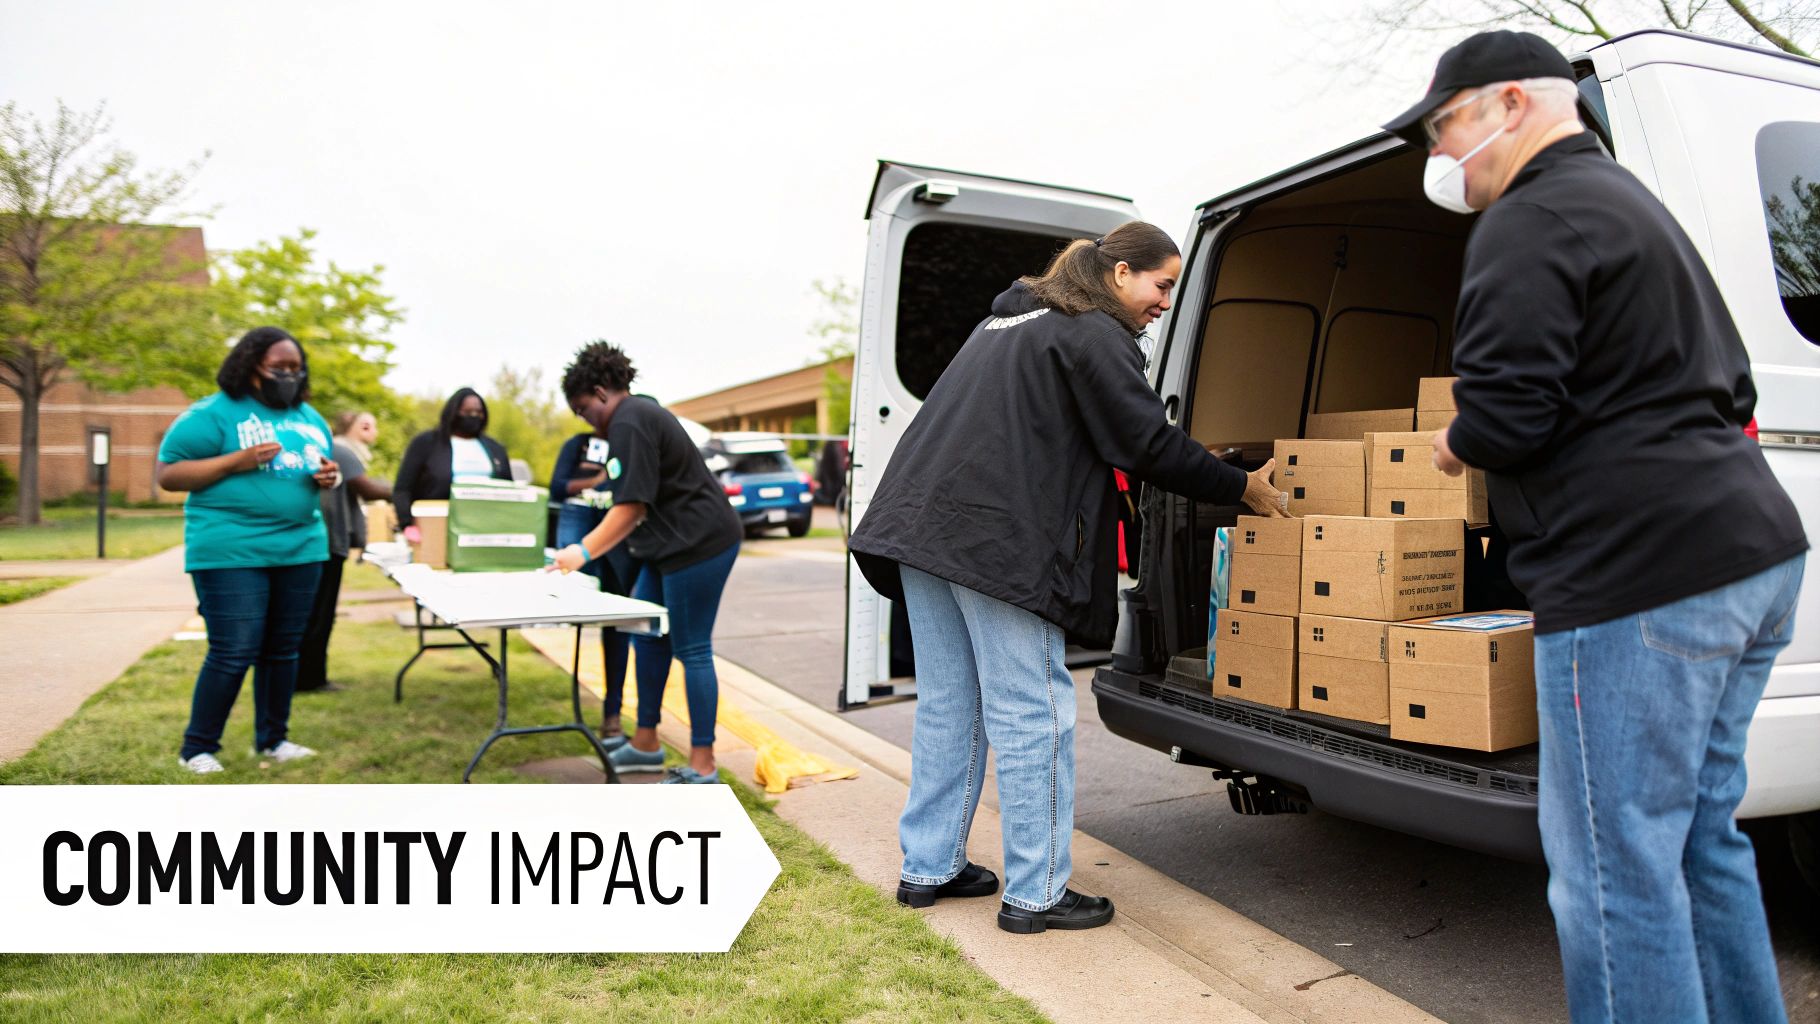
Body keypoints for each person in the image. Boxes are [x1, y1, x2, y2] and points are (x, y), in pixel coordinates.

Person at [1385, 31, 1808, 1023]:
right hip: (1749, 556)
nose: (1441, 156)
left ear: (1511, 104)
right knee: (1699, 836)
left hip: (1636, 580)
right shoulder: (1631, 207)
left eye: (1444, 126)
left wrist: (1454, 440)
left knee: (1611, 866)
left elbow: (1506, 414)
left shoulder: (1528, 219)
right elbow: (1730, 382)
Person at [847, 222, 1288, 934]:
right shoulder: (1091, 332)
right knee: (1032, 712)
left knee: (951, 705)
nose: (1166, 302)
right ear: (1119, 275)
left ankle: (928, 867)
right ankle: (1037, 892)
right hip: (992, 542)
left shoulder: (1009, 323)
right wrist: (1241, 486)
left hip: (919, 531)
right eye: (1162, 284)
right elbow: (1144, 440)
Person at [548, 342, 742, 785]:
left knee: (691, 648)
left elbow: (631, 507)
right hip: (666, 545)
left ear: (599, 391)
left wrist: (580, 552)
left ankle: (703, 766)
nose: (585, 421)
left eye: (582, 410)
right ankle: (647, 743)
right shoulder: (633, 419)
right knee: (646, 634)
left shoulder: (629, 421)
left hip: (700, 542)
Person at [155, 326, 343, 774]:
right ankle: (197, 749)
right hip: (231, 549)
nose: (289, 376)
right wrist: (236, 461)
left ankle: (272, 740)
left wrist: (329, 477)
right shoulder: (213, 414)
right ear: (250, 365)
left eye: (296, 369)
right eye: (279, 368)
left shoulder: (311, 419)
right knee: (234, 648)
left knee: (283, 648)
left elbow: (319, 469)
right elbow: (168, 475)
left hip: (300, 546)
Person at [549, 415, 645, 748]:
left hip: (618, 525)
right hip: (579, 522)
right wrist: (597, 478)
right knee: (575, 599)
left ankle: (612, 716)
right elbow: (557, 487)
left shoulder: (631, 444)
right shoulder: (576, 445)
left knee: (618, 621)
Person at [296, 411, 393, 693]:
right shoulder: (341, 450)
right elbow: (367, 488)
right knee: (320, 614)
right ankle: (310, 678)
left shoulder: (337, 449)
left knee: (314, 613)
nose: (373, 430)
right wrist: (402, 491)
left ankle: (306, 676)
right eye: (367, 424)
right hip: (327, 543)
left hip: (321, 542)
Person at [393, 388, 512, 544]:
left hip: (485, 528)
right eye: (467, 411)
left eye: (478, 412)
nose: (474, 416)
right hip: (437, 526)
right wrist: (407, 523)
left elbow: (510, 489)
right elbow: (403, 488)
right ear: (454, 412)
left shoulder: (495, 448)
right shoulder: (426, 443)